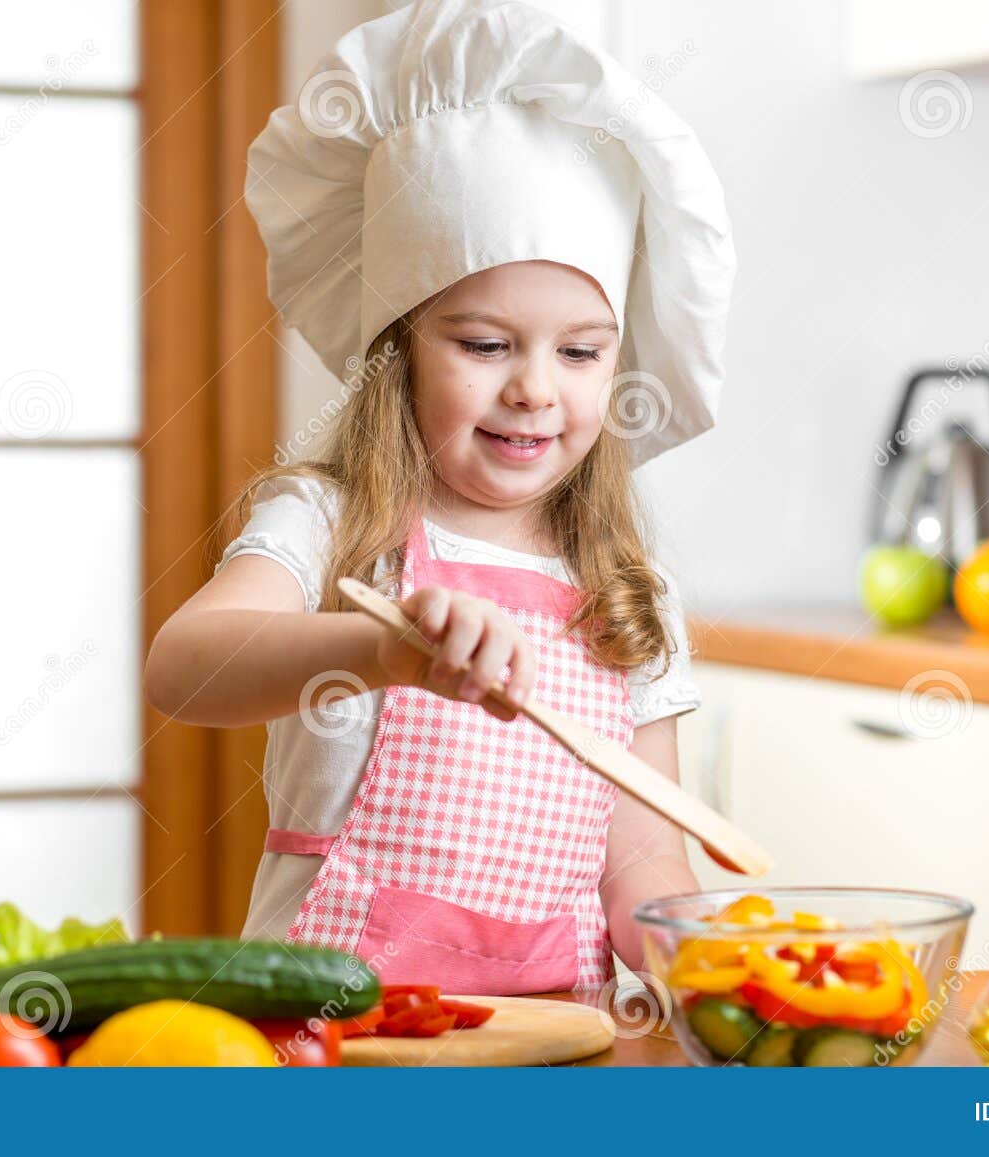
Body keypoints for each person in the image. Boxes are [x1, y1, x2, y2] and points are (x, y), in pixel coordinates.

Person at [145, 0, 736, 995]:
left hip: (549, 1058)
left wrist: (717, 958)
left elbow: (640, 859)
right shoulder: (327, 525)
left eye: (581, 351)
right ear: (397, 354)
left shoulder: (631, 593)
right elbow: (184, 668)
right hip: (324, 1049)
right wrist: (384, 651)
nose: (535, 388)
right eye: (484, 343)